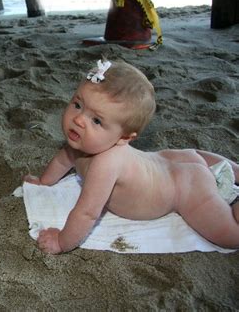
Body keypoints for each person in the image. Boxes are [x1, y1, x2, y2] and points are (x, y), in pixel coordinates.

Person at [24, 59, 239, 254]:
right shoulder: (82, 143)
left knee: (230, 236)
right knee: (193, 155)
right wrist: (44, 182)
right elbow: (63, 160)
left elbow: (87, 213)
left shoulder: (105, 163)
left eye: (96, 121)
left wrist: (62, 241)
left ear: (124, 138)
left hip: (186, 188)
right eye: (77, 105)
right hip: (169, 161)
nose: (79, 120)